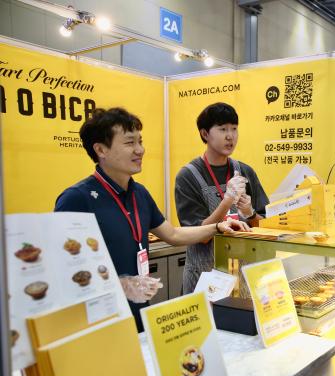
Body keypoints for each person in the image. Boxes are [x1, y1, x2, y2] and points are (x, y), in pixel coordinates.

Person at [55, 107, 249, 331]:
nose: (140, 150)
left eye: (140, 141)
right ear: (100, 149)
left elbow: (173, 234)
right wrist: (120, 284)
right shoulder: (77, 198)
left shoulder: (139, 193)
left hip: (138, 312)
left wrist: (217, 226)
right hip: (98, 320)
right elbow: (63, 271)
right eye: (129, 143)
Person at [175, 102, 269, 294]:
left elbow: (266, 226)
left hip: (242, 278)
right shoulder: (188, 176)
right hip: (203, 276)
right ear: (205, 134)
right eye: (222, 129)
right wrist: (227, 201)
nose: (230, 136)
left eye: (234, 129)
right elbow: (198, 236)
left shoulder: (245, 171)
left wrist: (250, 214)